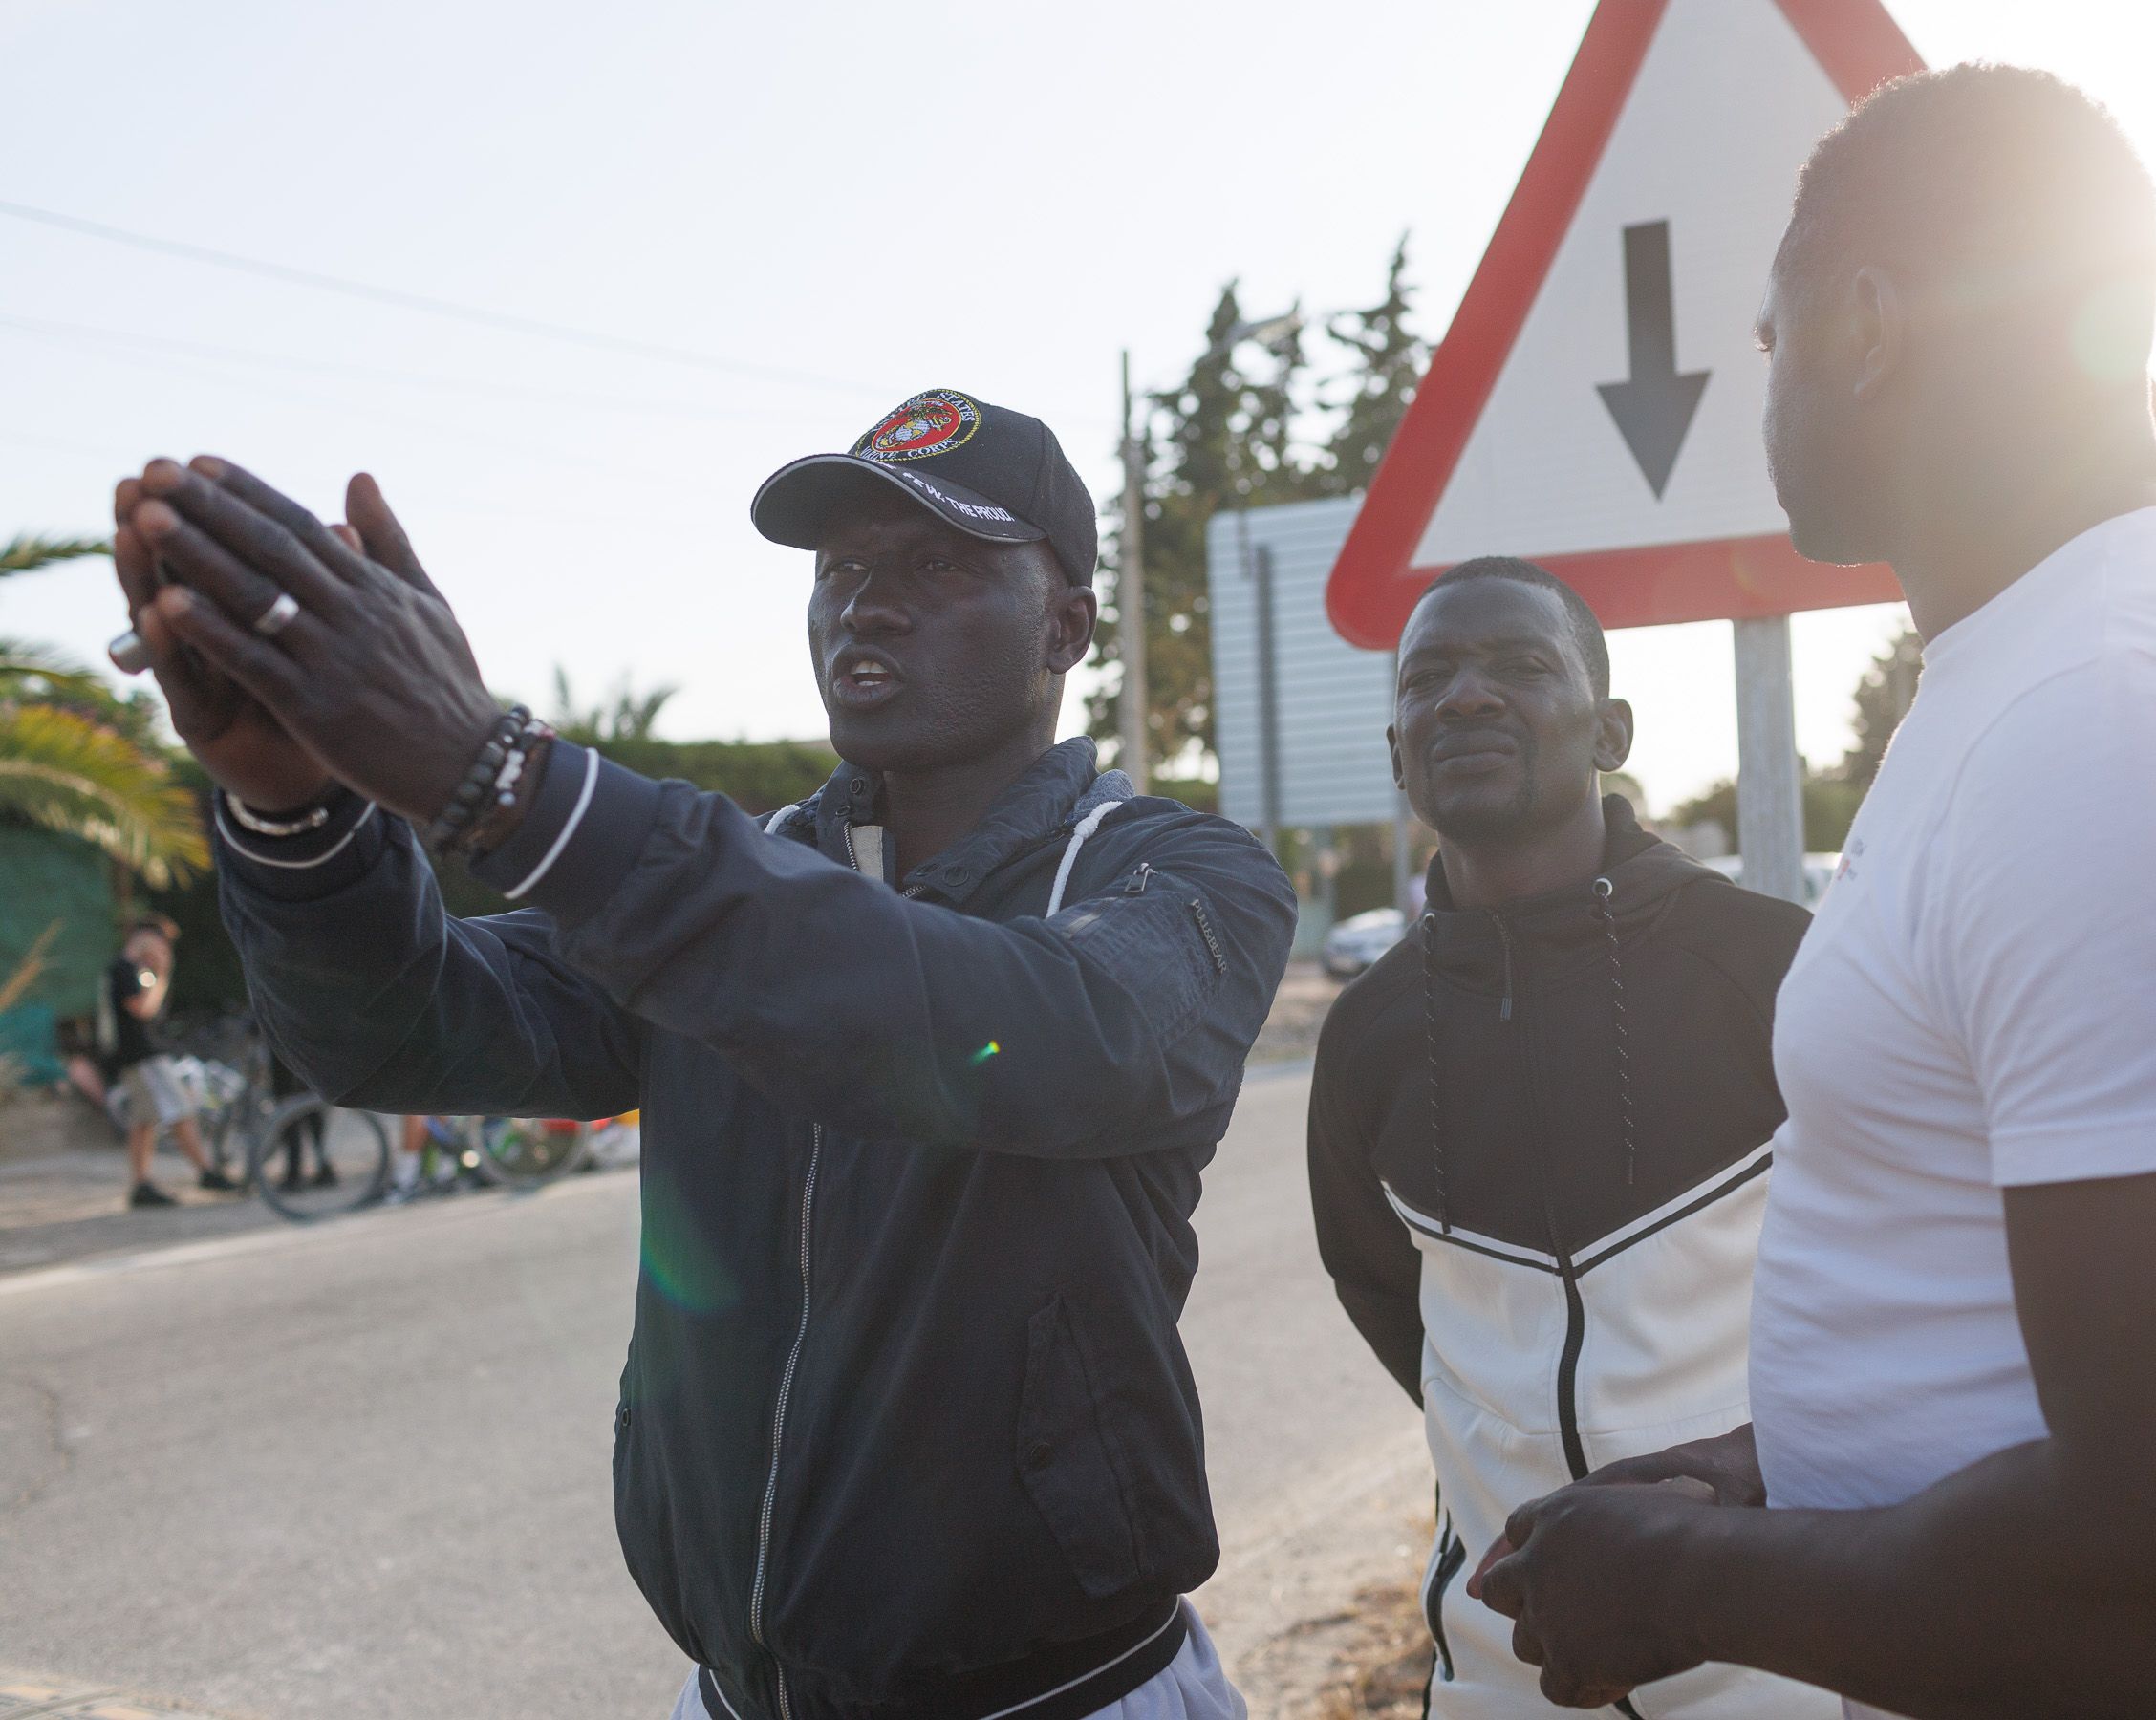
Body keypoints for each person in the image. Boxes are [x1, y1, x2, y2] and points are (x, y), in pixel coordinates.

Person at [1471, 65, 2156, 1720]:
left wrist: (1674, 1580)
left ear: (1867, 323)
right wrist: (1770, 1471)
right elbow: (2058, 1368)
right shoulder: (2047, 682)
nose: (1767, 385)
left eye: (1770, 337)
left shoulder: (2120, 729)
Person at [108, 387, 1295, 1720]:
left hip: (1061, 1699)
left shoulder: (1180, 879)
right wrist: (299, 808)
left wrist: (508, 779)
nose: (871, 602)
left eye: (941, 564)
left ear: (1066, 625)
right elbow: (400, 1024)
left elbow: (1002, 1025)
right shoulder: (729, 883)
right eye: (842, 569)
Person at [1307, 559, 1828, 1719]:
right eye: (1428, 677)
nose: (1468, 697)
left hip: (1782, 1662)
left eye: (1521, 666)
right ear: (1399, 752)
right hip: (1499, 1678)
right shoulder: (1367, 1034)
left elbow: (1906, 1282)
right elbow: (1388, 1297)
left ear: (1610, 732)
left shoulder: (1776, 965)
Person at [97, 915, 237, 1207]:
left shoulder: (130, 969)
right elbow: (143, 1009)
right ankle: (205, 1171)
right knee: (179, 1109)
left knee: (144, 1121)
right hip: (142, 1055)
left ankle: (142, 1184)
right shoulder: (123, 970)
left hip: (137, 1055)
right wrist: (161, 974)